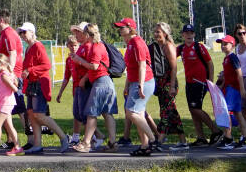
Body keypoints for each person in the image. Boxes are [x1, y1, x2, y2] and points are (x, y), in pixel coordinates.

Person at [18, 21, 69, 154]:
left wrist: (30, 70)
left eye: (24, 32)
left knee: (39, 114)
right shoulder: (28, 48)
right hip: (31, 84)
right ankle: (37, 144)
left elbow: (46, 65)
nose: (22, 35)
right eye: (21, 32)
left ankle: (63, 137)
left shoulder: (38, 46)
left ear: (32, 32)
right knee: (32, 115)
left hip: (39, 83)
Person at [69, 24, 117, 152]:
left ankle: (86, 143)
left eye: (83, 33)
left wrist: (79, 60)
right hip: (106, 82)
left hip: (100, 82)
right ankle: (113, 142)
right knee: (107, 113)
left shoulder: (95, 47)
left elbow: (94, 66)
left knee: (91, 113)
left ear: (88, 34)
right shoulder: (98, 46)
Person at [115, 17, 156, 155]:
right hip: (135, 82)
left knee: (130, 112)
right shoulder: (130, 43)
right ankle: (145, 146)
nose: (120, 30)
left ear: (130, 28)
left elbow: (142, 65)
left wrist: (141, 85)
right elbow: (130, 68)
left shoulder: (137, 42)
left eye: (122, 27)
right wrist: (127, 85)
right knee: (138, 114)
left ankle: (152, 139)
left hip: (144, 81)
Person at [178, 23, 217, 145]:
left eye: (191, 33)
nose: (189, 35)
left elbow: (210, 63)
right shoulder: (181, 48)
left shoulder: (199, 47)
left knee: (196, 109)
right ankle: (201, 138)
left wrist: (210, 81)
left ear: (194, 34)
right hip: (189, 83)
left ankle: (216, 131)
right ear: (183, 35)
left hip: (200, 83)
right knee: (192, 109)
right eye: (186, 33)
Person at [150, 22, 185, 148]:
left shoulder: (168, 46)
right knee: (172, 112)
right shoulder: (156, 47)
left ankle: (160, 139)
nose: (156, 34)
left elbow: (174, 67)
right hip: (160, 82)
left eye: (158, 32)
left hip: (169, 82)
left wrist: (172, 86)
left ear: (165, 33)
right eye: (155, 32)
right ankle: (183, 141)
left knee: (166, 111)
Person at [216, 34, 246, 148]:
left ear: (232, 45)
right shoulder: (226, 59)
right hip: (230, 88)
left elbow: (239, 73)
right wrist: (221, 85)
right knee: (237, 113)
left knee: (227, 113)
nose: (223, 46)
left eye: (226, 44)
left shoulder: (232, 57)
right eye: (222, 44)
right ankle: (245, 138)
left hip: (234, 89)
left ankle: (228, 138)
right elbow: (227, 75)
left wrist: (242, 89)